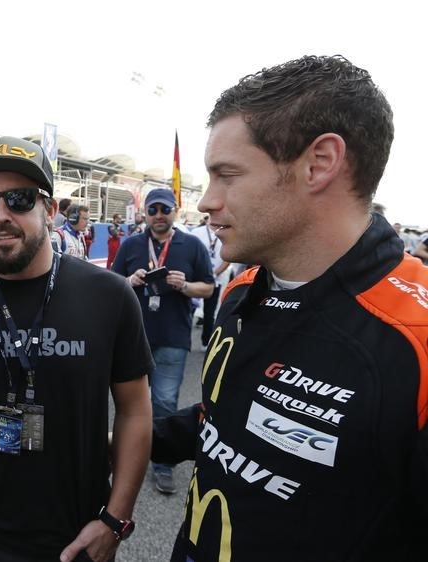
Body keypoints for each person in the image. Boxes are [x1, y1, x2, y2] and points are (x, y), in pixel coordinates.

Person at [155, 55, 428, 561]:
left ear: (319, 163)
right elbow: (225, 419)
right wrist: (118, 438)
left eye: (227, 175)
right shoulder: (243, 289)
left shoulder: (416, 337)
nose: (206, 201)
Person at [0, 136, 152, 562]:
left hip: (78, 536)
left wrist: (115, 520)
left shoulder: (109, 295)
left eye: (18, 199)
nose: (1, 215)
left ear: (49, 210)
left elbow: (135, 410)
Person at [111, 187, 214, 494]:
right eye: (153, 210)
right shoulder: (131, 245)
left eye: (164, 210)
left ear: (175, 212)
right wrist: (130, 281)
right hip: (133, 337)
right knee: (128, 403)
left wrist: (185, 285)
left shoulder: (192, 244)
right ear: (145, 214)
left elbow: (208, 289)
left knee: (165, 401)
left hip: (173, 336)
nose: (158, 215)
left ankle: (162, 463)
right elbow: (113, 285)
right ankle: (123, 456)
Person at [189, 214, 231, 348]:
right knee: (188, 309)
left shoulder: (227, 233)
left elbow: (228, 258)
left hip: (215, 280)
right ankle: (183, 339)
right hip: (194, 280)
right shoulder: (196, 233)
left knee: (209, 312)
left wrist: (215, 272)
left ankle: (206, 341)